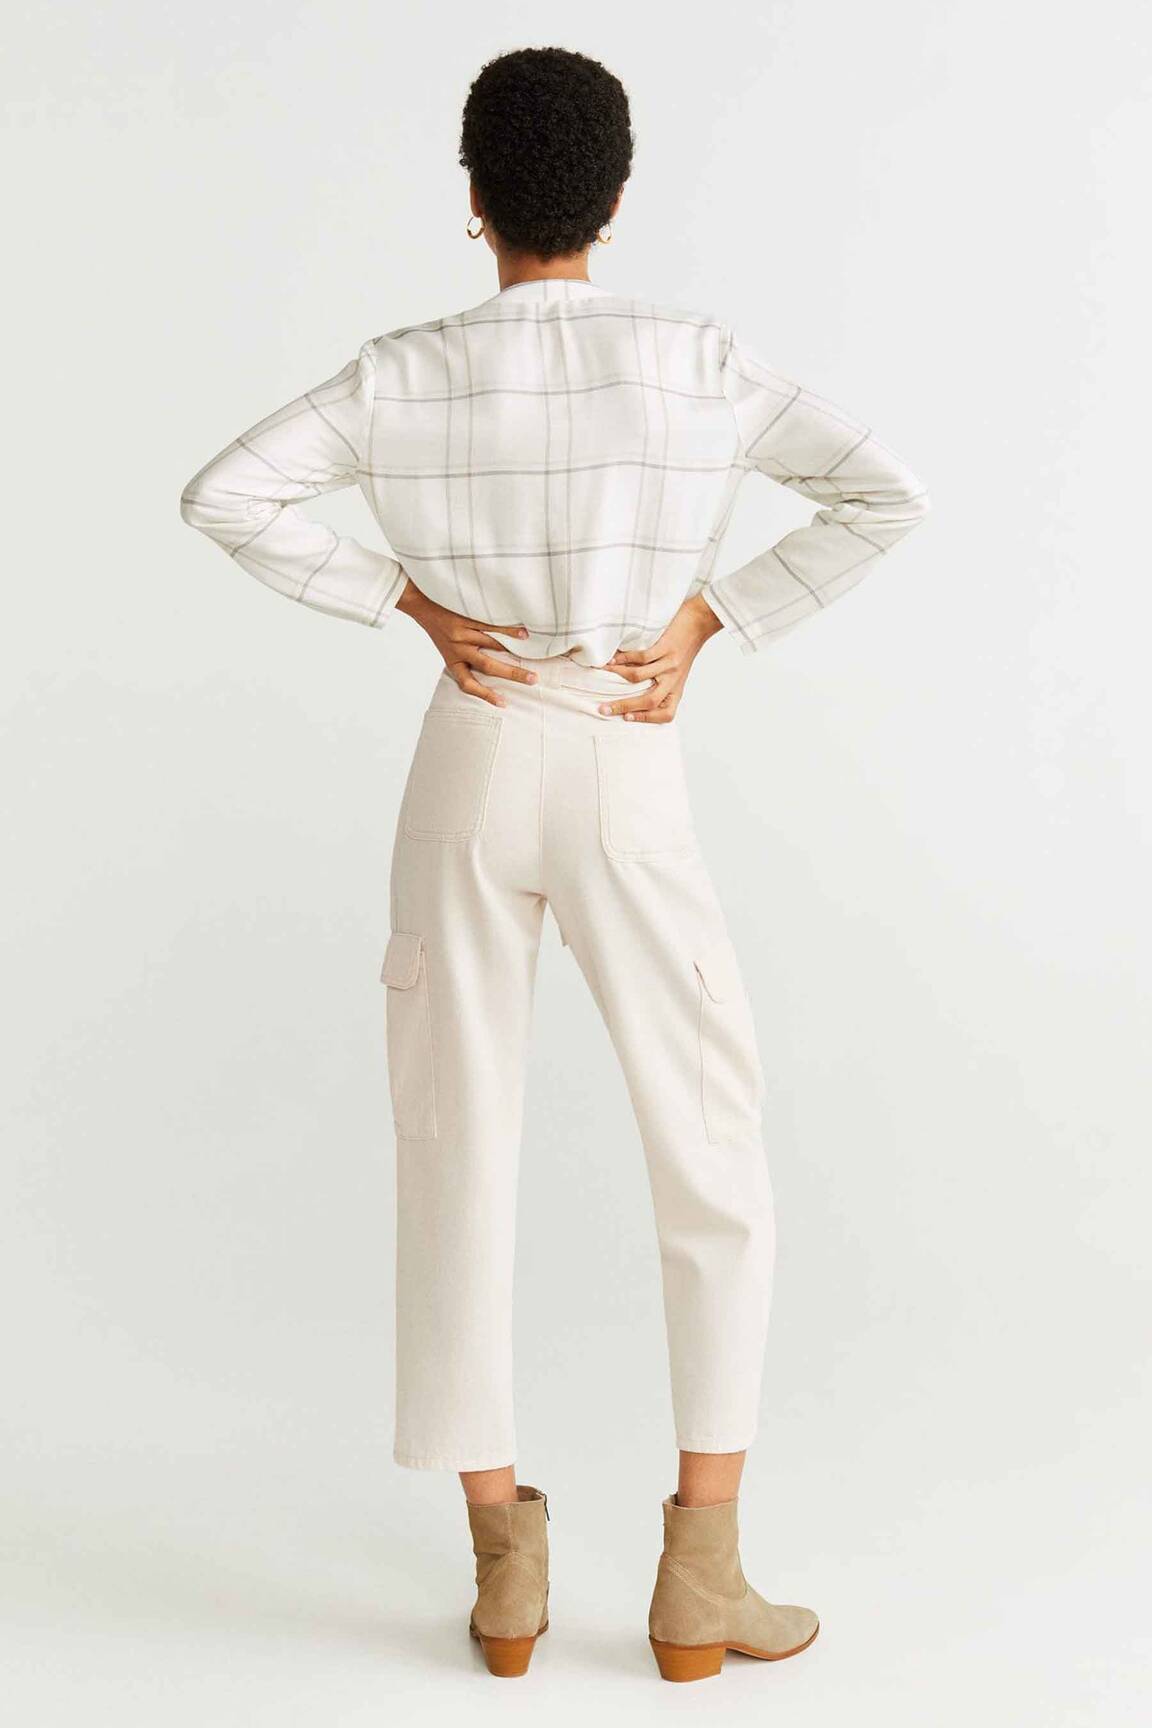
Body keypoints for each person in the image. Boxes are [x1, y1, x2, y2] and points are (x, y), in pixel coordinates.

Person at [179, 44, 931, 1682]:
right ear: (617, 195)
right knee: (710, 1147)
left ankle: (505, 1574)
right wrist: (713, 615)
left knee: (453, 1137)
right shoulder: (694, 359)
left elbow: (225, 495)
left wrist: (405, 600)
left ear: (473, 202)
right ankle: (702, 1576)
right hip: (626, 755)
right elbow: (884, 494)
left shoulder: (406, 370)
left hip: (471, 751)